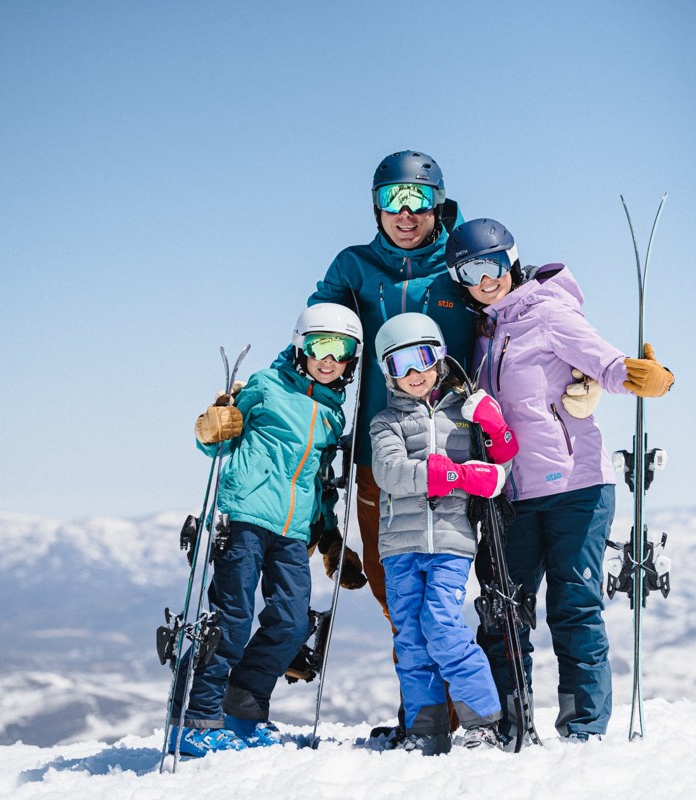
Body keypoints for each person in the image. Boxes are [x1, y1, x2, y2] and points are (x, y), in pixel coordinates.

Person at [445, 218, 676, 742]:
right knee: (502, 609)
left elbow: (606, 363)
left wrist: (644, 378)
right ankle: (511, 724)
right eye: (470, 272)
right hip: (512, 494)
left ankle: (583, 728)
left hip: (577, 487)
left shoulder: (549, 312)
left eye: (493, 264)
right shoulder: (484, 332)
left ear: (512, 260)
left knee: (573, 607)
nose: (486, 280)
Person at [307, 150, 477, 738]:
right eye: (392, 200)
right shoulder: (354, 267)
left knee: (461, 594)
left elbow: (516, 310)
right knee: (393, 588)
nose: (405, 213)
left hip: (462, 455)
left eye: (418, 199)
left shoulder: (462, 265)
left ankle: (482, 708)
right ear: (376, 207)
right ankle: (430, 715)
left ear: (438, 204)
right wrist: (259, 394)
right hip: (380, 457)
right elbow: (316, 339)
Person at [167, 303, 362, 757]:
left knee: (292, 624)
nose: (328, 358)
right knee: (230, 621)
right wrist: (212, 425)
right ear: (300, 346)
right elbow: (219, 441)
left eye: (340, 349)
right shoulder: (266, 385)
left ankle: (243, 711)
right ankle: (196, 720)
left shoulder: (333, 414)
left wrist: (329, 536)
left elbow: (320, 482)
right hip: (245, 518)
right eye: (320, 345)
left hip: (293, 530)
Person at [368, 313, 518, 754]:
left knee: (442, 624)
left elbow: (501, 462)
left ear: (440, 358)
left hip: (451, 541)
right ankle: (426, 729)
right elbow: (390, 472)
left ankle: (482, 722)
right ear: (388, 372)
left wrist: (493, 426)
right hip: (400, 546)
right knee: (410, 638)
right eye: (401, 364)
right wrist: (456, 475)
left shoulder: (463, 415)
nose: (415, 373)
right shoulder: (385, 423)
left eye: (423, 358)